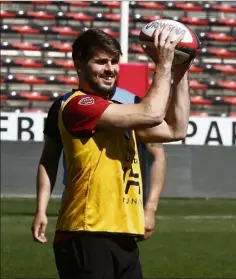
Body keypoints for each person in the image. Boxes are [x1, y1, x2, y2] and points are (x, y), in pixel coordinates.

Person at [31, 26, 190, 279]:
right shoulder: (78, 104)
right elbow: (151, 113)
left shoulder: (119, 110)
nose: (110, 69)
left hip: (122, 232)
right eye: (100, 61)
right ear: (79, 64)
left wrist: (181, 70)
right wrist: (164, 64)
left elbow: (176, 129)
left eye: (114, 62)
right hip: (86, 232)